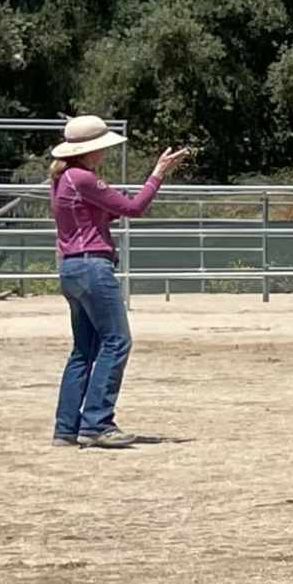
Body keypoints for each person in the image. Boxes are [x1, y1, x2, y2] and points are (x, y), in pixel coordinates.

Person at [45, 115, 191, 448]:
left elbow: (103, 211)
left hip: (71, 268)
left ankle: (66, 427)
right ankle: (97, 422)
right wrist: (157, 175)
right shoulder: (83, 178)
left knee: (84, 350)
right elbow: (134, 208)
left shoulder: (62, 179)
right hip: (93, 267)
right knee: (116, 341)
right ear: (89, 150)